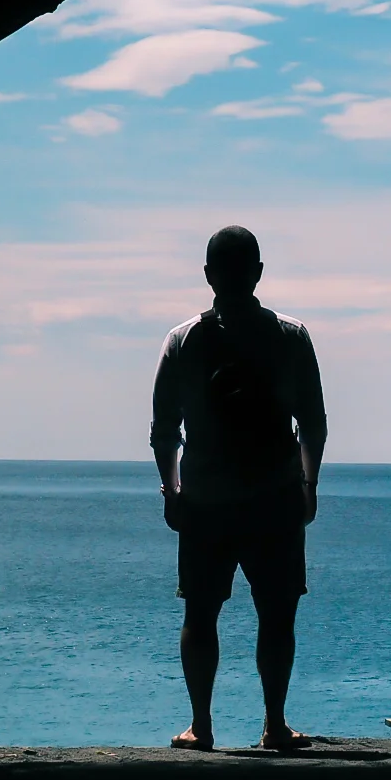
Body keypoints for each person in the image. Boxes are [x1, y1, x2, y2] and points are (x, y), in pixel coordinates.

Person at [150, 225, 327, 752]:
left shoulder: (183, 339)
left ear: (208, 275)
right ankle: (274, 724)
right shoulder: (290, 336)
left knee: (201, 613)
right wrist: (308, 483)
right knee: (277, 614)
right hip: (274, 498)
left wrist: (172, 490)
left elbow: (165, 430)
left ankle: (201, 726)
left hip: (206, 501)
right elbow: (313, 421)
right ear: (257, 273)